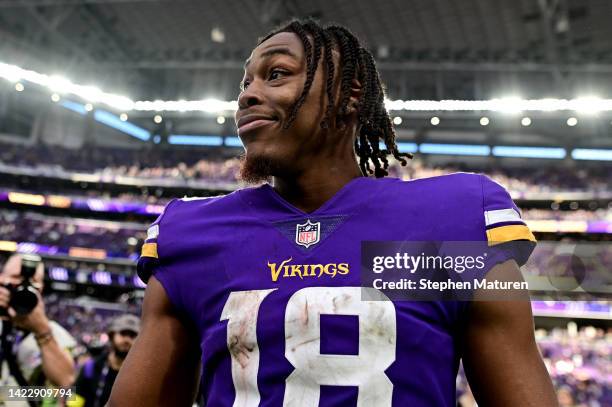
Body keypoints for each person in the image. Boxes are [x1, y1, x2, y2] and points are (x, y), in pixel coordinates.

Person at [109, 19, 557, 406]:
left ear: (348, 94)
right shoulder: (191, 233)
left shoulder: (454, 217)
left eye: (277, 74)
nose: (248, 96)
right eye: (246, 84)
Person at [0, 254, 76, 407]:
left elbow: (66, 388)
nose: (23, 285)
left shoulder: (56, 334)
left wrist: (42, 331)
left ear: (41, 289)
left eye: (33, 282)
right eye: (15, 277)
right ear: (1, 280)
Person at [70, 314, 139, 407]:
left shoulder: (140, 373)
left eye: (132, 335)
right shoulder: (91, 367)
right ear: (112, 335)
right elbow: (75, 399)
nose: (127, 339)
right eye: (123, 333)